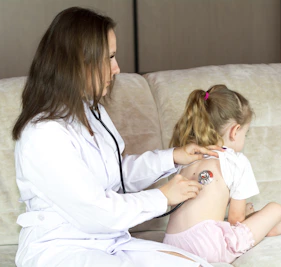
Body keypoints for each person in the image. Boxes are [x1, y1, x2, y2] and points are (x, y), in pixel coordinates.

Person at [12, 6, 223, 267]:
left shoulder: (90, 111)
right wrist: (163, 196)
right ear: (79, 61)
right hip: (62, 250)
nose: (117, 68)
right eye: (109, 58)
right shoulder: (44, 135)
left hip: (109, 241)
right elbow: (96, 210)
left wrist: (173, 157)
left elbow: (116, 175)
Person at [163, 85, 281, 263]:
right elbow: (235, 220)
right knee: (276, 210)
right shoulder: (236, 161)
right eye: (245, 134)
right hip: (208, 248)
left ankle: (261, 224)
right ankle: (267, 229)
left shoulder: (186, 155)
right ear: (235, 131)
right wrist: (251, 218)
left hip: (171, 245)